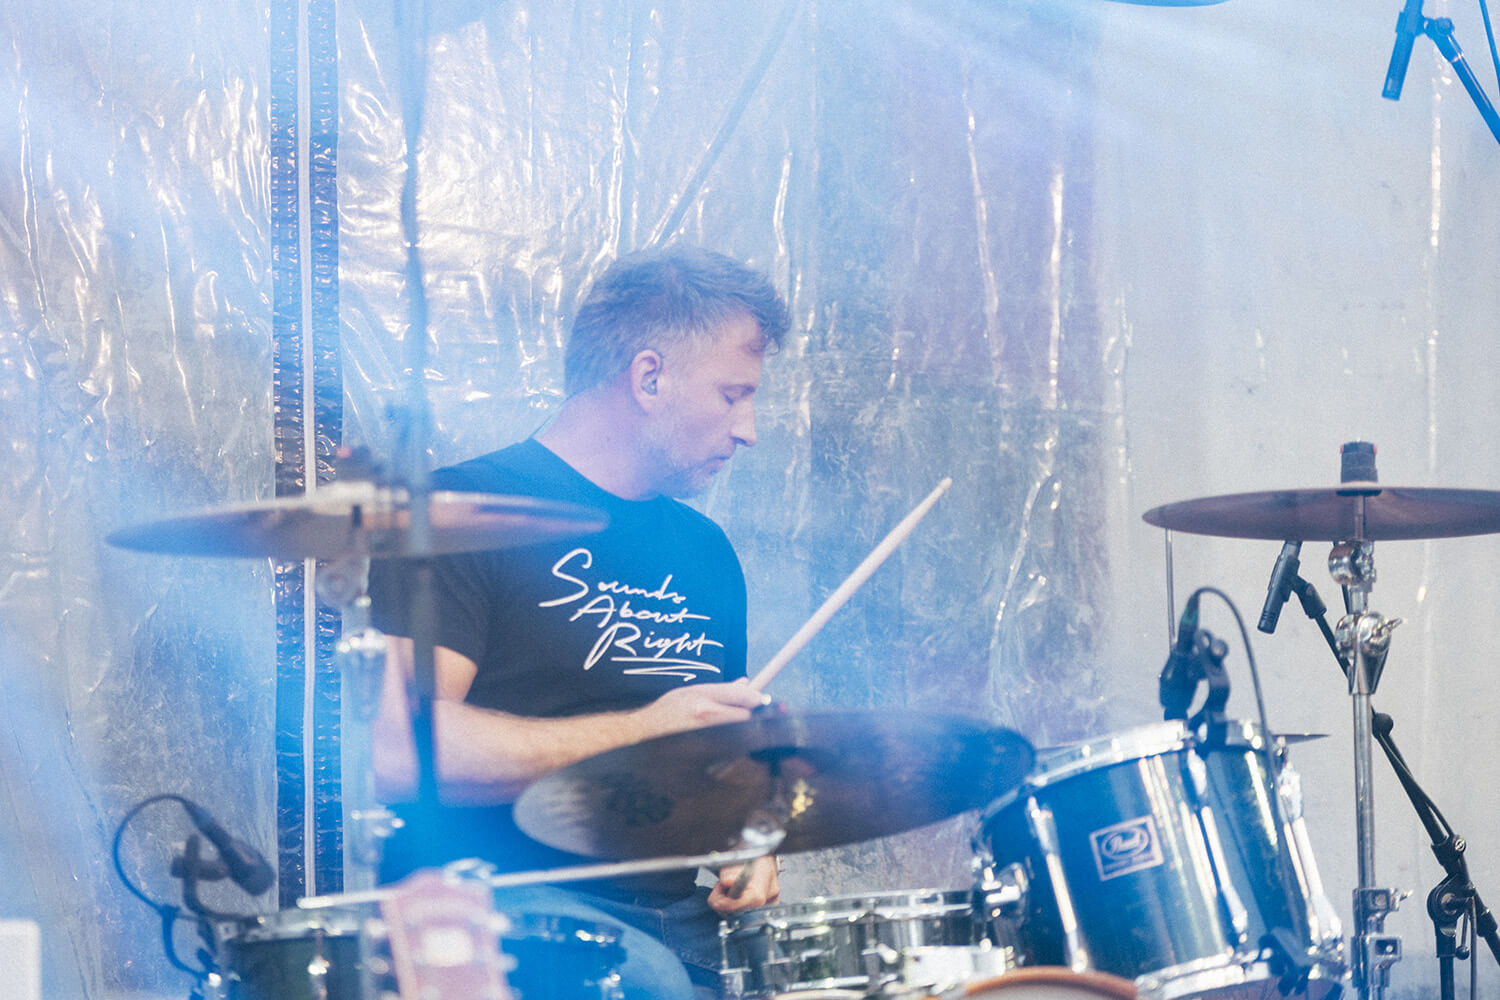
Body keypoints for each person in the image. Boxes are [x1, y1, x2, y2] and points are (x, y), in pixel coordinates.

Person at [367, 245, 792, 999]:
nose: (749, 428)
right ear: (649, 376)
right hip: (502, 908)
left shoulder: (705, 551)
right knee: (654, 983)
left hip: (672, 916)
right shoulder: (463, 513)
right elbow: (401, 750)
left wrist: (747, 837)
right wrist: (643, 729)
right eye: (733, 395)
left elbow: (712, 760)